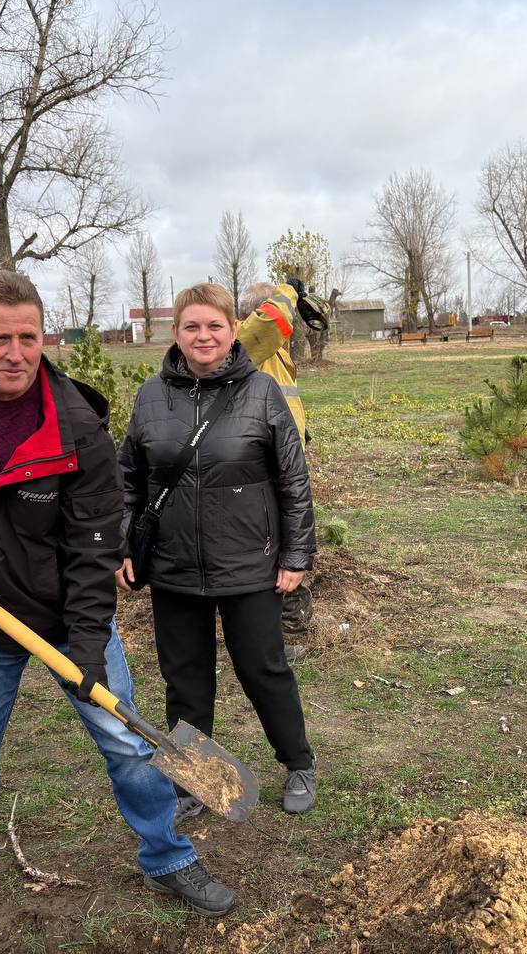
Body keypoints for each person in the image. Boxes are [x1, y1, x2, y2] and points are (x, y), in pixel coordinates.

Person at [0, 270, 236, 941]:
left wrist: (88, 645)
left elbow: (95, 549)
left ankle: (170, 856)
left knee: (126, 742)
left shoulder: (76, 425)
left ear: (45, 336)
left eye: (29, 337)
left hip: (66, 616)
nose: (16, 353)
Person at [116, 282, 317, 822]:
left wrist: (296, 555)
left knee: (262, 668)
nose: (203, 336)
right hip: (174, 564)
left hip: (249, 561)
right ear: (176, 333)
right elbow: (128, 479)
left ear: (233, 331)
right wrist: (123, 543)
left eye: (214, 326)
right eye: (191, 326)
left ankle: (298, 762)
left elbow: (293, 481)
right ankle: (193, 781)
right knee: (185, 675)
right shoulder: (151, 395)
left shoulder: (261, 392)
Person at [235, 280, 318, 657]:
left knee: (290, 542)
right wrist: (290, 289)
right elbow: (270, 320)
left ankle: (293, 630)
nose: (289, 326)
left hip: (285, 461)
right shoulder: (247, 340)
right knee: (277, 547)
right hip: (263, 467)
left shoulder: (276, 353)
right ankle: (285, 637)